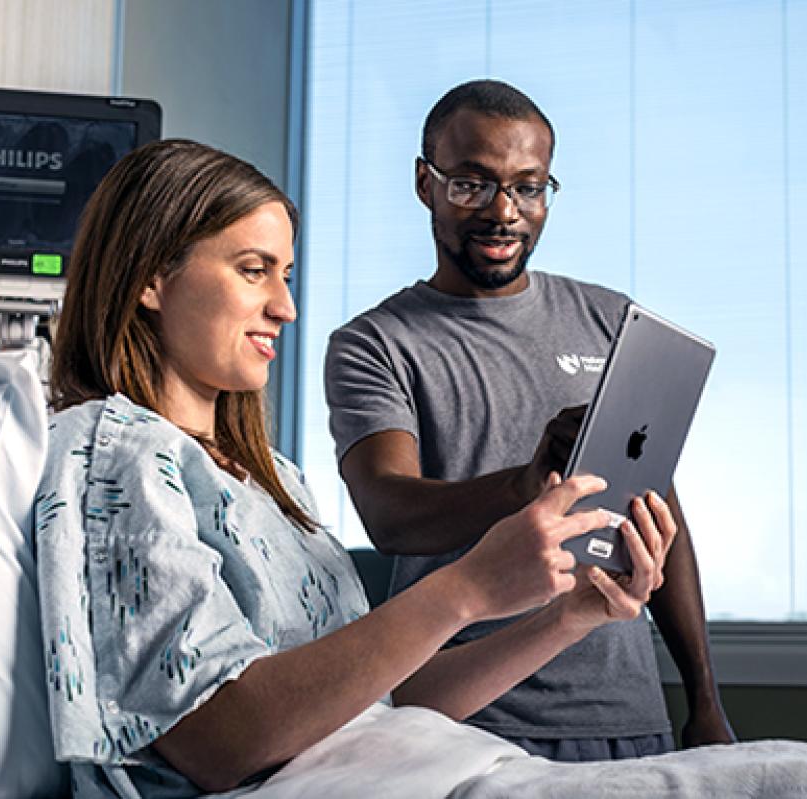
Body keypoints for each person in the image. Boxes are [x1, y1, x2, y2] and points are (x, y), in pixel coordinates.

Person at [35, 138, 679, 797]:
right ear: (150, 278)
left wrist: (572, 615)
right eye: (254, 269)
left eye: (285, 275)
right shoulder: (115, 453)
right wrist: (469, 587)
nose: (285, 306)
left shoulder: (275, 480)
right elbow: (214, 741)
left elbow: (379, 703)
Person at [325, 79, 735, 761]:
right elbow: (389, 512)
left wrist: (704, 701)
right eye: (471, 185)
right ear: (425, 184)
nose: (503, 212)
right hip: (465, 723)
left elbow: (657, 508)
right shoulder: (377, 342)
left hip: (630, 716)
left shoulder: (609, 320)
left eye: (529, 187)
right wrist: (524, 487)